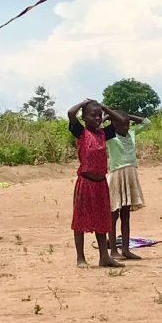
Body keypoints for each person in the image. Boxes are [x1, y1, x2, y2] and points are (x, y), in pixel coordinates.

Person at [68, 100, 127, 268]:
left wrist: (105, 108)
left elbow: (121, 120)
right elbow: (71, 114)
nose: (97, 118)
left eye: (99, 115)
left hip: (101, 183)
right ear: (84, 117)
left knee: (102, 219)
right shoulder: (80, 132)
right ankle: (80, 258)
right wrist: (84, 103)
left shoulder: (104, 133)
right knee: (80, 220)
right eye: (92, 115)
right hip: (85, 182)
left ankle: (104, 256)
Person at [107, 112, 150, 260]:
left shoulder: (131, 133)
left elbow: (146, 122)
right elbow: (98, 128)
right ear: (113, 125)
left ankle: (125, 249)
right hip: (117, 176)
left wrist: (126, 116)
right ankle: (113, 250)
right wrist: (109, 114)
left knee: (126, 214)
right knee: (113, 215)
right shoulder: (110, 136)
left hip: (131, 176)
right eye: (121, 124)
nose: (125, 127)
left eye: (127, 124)